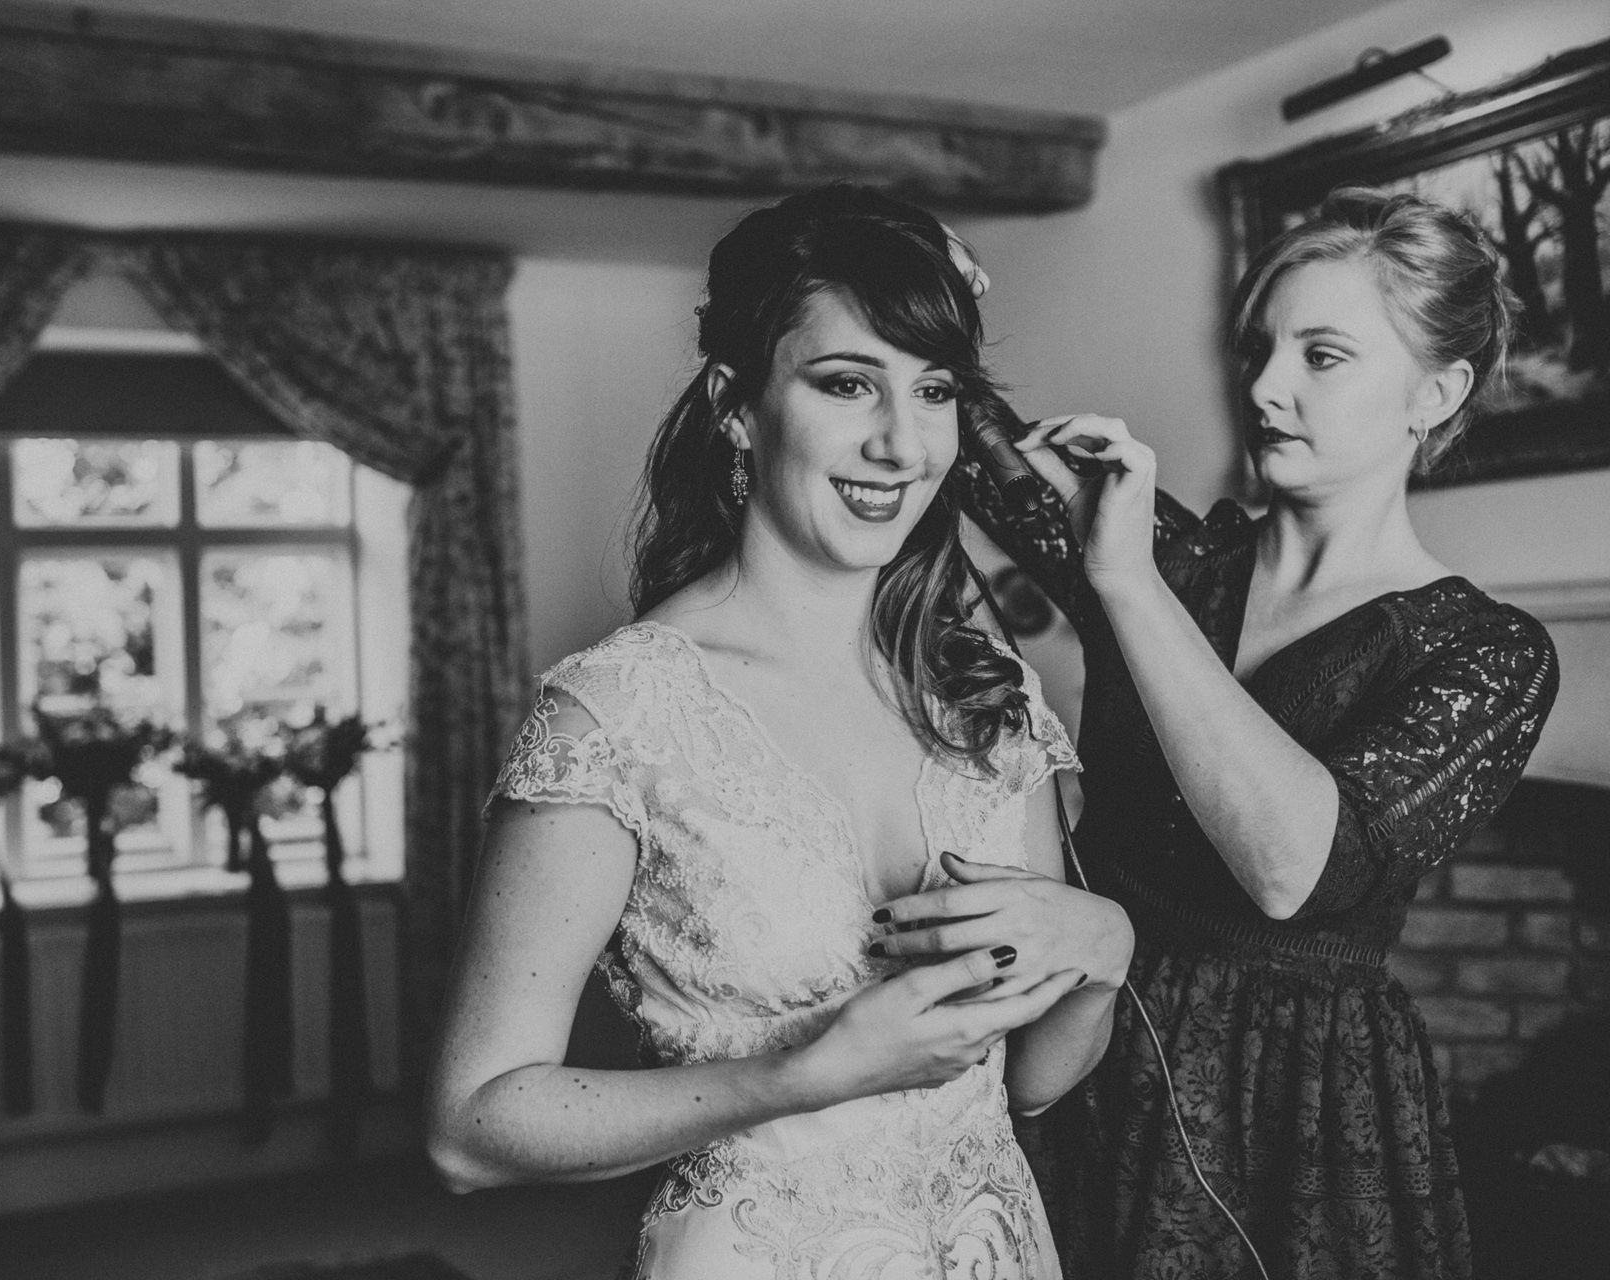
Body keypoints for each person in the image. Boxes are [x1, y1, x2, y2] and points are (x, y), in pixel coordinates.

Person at [426, 183, 1135, 1279]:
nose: (902, 443)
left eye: (935, 390)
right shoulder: (620, 711)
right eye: (848, 382)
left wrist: (1104, 948)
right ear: (738, 403)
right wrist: (803, 1073)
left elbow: (1032, 1076)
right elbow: (469, 1126)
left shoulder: (988, 693)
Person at [915, 188, 1559, 1278]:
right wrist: (923, 288)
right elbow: (965, 435)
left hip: (1287, 1102)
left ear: (1435, 391)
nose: (1265, 387)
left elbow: (1289, 870)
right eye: (1262, 349)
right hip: (1074, 1020)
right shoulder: (1182, 559)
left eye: (1324, 355)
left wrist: (1123, 579)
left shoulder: (1486, 656)